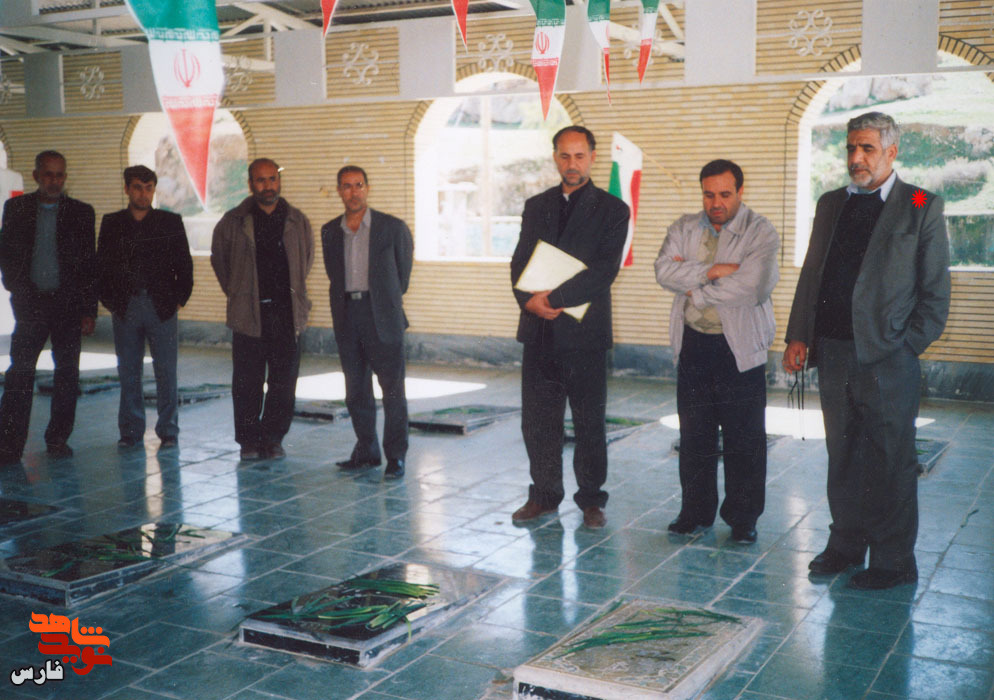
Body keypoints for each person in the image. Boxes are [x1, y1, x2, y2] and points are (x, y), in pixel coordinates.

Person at [784, 112, 951, 590]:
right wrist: (799, 335)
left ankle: (894, 560)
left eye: (868, 149)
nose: (856, 158)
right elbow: (812, 272)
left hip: (887, 357)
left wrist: (906, 346)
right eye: (851, 148)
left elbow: (935, 291)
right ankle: (845, 546)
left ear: (891, 152)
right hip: (834, 352)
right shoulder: (831, 202)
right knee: (843, 453)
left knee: (890, 458)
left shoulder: (920, 202)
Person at [508, 126, 630, 529]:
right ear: (555, 158)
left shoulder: (613, 210)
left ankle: (591, 500)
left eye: (579, 156)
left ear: (592, 157)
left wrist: (553, 300)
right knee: (538, 422)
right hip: (539, 331)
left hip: (584, 335)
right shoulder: (536, 205)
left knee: (588, 421)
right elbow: (520, 260)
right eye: (564, 156)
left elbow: (603, 271)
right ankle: (543, 496)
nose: (571, 164)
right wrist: (528, 301)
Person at [654, 160, 779, 544]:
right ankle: (695, 513)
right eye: (709, 195)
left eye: (725, 194)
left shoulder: (761, 231)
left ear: (740, 191)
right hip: (694, 343)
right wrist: (713, 270)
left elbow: (753, 286)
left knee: (745, 438)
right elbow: (663, 271)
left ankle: (743, 519)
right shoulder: (683, 227)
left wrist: (694, 287)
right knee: (695, 436)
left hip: (739, 347)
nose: (716, 203)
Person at [211, 158, 314, 461]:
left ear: (278, 181)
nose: (268, 186)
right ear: (250, 184)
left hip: (286, 314)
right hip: (249, 314)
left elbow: (305, 261)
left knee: (283, 382)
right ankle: (248, 441)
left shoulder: (297, 220)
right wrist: (240, 293)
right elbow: (221, 263)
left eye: (272, 179)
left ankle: (273, 438)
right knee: (247, 382)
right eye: (260, 180)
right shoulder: (233, 222)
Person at [0, 151, 96, 464]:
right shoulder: (16, 209)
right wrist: (17, 291)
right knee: (19, 373)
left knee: (67, 374)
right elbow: (7, 255)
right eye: (48, 175)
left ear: (64, 177)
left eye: (59, 175)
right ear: (36, 176)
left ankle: (57, 439)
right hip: (31, 305)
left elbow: (89, 265)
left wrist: (88, 310)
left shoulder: (81, 213)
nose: (54, 181)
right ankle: (9, 445)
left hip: (67, 307)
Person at [322, 166, 413, 480]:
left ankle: (396, 457)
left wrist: (383, 300)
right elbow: (334, 275)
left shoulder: (393, 228)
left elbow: (402, 277)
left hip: (383, 317)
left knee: (392, 390)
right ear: (339, 191)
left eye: (358, 185)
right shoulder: (330, 231)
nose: (353, 192)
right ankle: (366, 451)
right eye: (346, 186)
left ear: (368, 188)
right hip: (348, 316)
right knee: (356, 390)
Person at [97, 166, 193, 451]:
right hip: (126, 307)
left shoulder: (169, 222)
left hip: (161, 307)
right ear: (127, 189)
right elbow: (101, 266)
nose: (143, 194)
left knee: (166, 372)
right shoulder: (113, 223)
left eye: (149, 188)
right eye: (138, 187)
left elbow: (184, 265)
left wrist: (178, 299)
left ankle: (169, 431)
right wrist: (112, 302)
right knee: (129, 372)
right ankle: (130, 431)